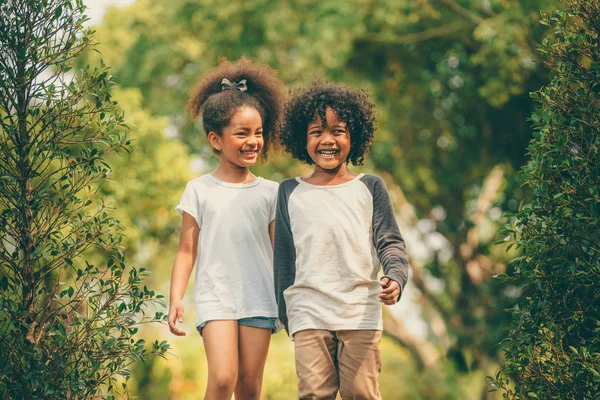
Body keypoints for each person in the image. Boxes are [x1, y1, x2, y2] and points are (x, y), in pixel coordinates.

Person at [274, 82, 409, 400]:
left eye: (339, 131)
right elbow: (284, 256)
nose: (327, 140)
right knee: (314, 394)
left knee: (360, 393)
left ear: (355, 137)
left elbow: (390, 241)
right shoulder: (289, 191)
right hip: (308, 311)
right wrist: (285, 313)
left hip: (359, 311)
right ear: (301, 138)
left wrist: (396, 277)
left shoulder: (371, 187)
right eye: (316, 131)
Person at [168, 58, 285, 400]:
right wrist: (176, 298)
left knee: (249, 387)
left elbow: (280, 253)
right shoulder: (198, 189)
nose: (253, 141)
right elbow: (186, 250)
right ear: (216, 139)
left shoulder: (271, 192)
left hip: (260, 297)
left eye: (259, 133)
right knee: (222, 379)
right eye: (242, 133)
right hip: (216, 296)